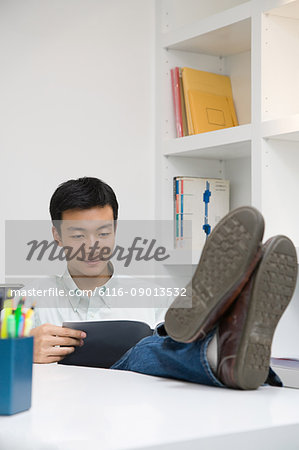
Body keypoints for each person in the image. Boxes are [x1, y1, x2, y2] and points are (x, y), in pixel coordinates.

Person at [20, 177, 298, 389]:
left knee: (161, 345)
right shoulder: (29, 300)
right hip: (65, 414)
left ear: (115, 230)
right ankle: (221, 345)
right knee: (143, 352)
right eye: (78, 235)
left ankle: (221, 341)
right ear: (56, 235)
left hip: (137, 415)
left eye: (103, 233)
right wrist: (20, 349)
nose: (93, 246)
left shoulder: (152, 296)